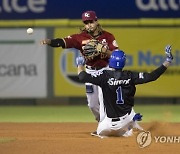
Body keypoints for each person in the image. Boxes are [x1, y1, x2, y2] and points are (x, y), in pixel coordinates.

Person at [40, 11, 119, 128]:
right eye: (86, 23)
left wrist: (104, 51)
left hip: (106, 70)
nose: (89, 25)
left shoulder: (108, 36)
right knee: (92, 104)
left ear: (96, 21)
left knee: (104, 101)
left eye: (91, 21)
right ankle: (101, 122)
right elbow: (62, 41)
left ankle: (105, 127)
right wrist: (50, 41)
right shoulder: (80, 38)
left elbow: (117, 56)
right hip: (91, 72)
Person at [76, 45, 173, 137]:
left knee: (101, 130)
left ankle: (128, 126)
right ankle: (133, 126)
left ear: (111, 61)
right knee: (130, 113)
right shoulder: (130, 76)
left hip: (106, 126)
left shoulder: (104, 76)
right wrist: (168, 61)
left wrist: (80, 65)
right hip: (125, 123)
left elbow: (82, 76)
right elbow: (152, 76)